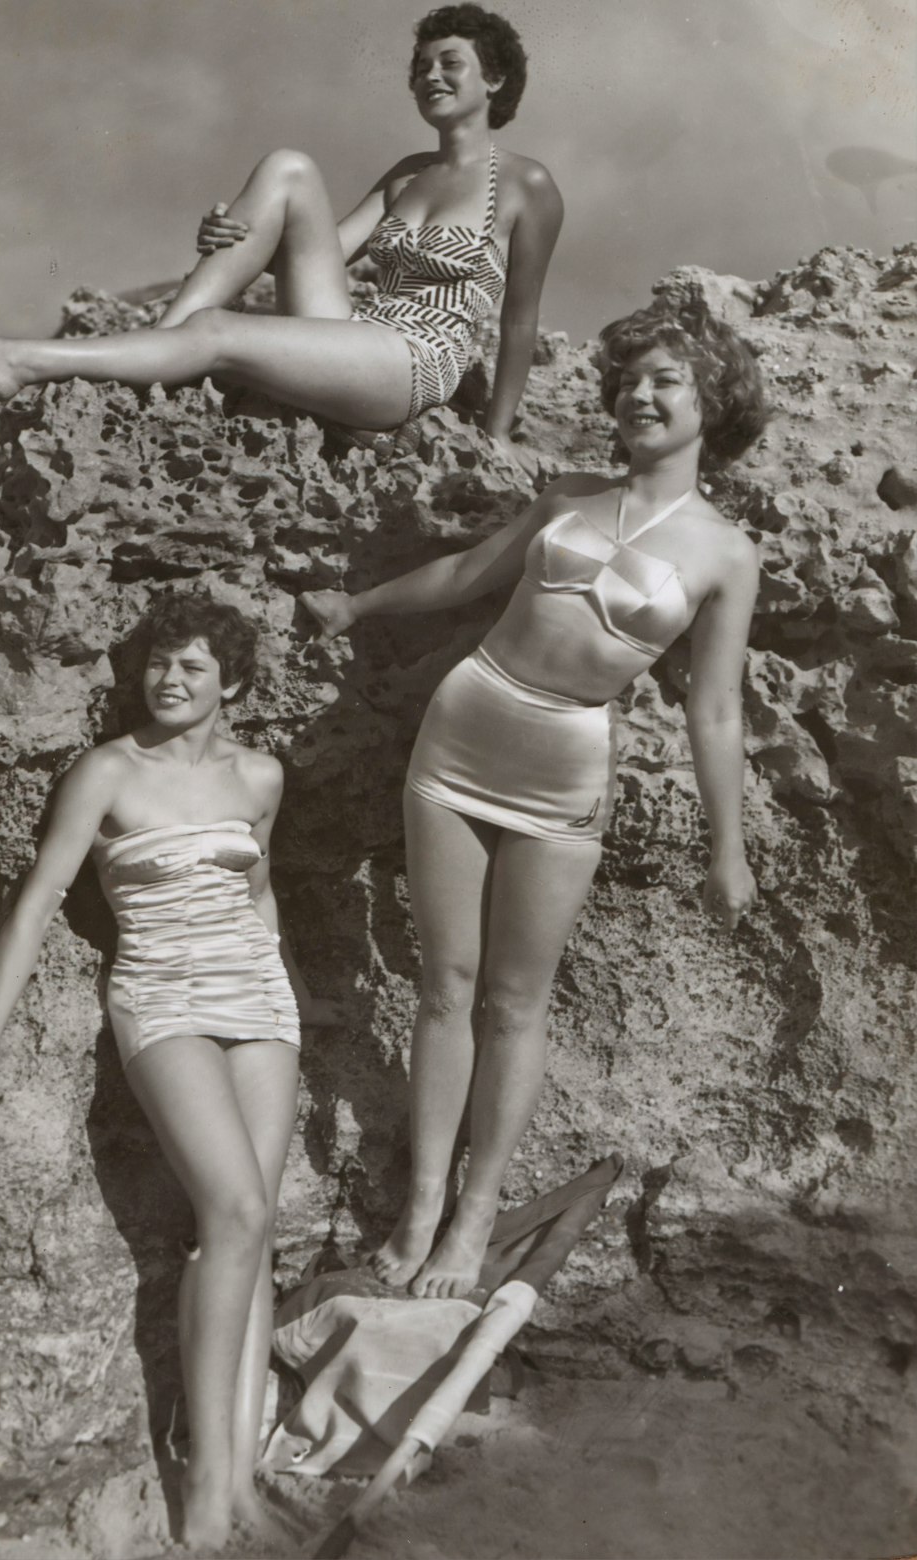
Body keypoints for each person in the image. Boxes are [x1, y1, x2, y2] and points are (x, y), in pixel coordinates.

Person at [301, 298, 768, 1301]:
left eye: (667, 381)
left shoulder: (727, 554)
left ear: (716, 402)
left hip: (564, 767)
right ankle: (421, 1204)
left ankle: (474, 1216)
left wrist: (727, 847)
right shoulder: (566, 497)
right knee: (443, 985)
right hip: (462, 731)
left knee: (515, 1002)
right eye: (629, 380)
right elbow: (468, 576)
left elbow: (717, 708)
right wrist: (356, 605)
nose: (639, 396)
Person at [0, 592, 335, 1553]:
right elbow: (38, 901)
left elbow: (258, 889)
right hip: (161, 996)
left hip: (258, 1000)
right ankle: (205, 1494)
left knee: (253, 1230)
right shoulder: (107, 770)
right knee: (235, 1210)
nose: (170, 679)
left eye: (193, 667)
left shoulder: (260, 775)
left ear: (233, 684)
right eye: (159, 661)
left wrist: (295, 990)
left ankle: (239, 1480)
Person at [0, 5, 561, 458]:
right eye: (420, 65)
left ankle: (19, 359)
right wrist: (233, 231)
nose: (428, 75)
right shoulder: (406, 174)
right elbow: (313, 255)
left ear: (495, 78)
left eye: (448, 63)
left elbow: (520, 322)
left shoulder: (526, 184)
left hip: (415, 363)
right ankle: (166, 346)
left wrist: (498, 435)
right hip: (357, 335)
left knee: (217, 332)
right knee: (288, 167)